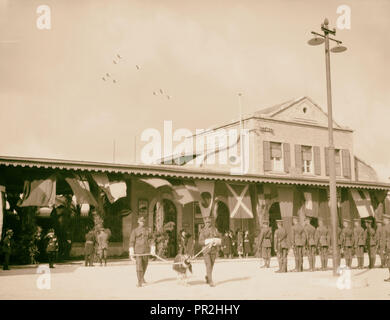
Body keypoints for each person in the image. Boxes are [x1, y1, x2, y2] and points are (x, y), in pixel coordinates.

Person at [129, 216, 155, 288]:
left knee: (145, 265)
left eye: (143, 221)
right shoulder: (135, 231)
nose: (142, 223)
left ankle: (142, 277)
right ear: (138, 222)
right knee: (139, 266)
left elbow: (152, 239)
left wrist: (153, 248)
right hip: (138, 251)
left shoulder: (148, 230)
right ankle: (139, 281)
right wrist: (131, 250)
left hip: (146, 251)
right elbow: (131, 241)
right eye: (141, 221)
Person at [198, 216, 221, 287]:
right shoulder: (203, 231)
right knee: (209, 265)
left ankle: (208, 277)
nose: (208, 223)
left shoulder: (215, 230)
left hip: (213, 250)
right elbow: (200, 242)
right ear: (205, 223)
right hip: (206, 251)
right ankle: (211, 281)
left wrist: (216, 242)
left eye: (209, 222)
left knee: (211, 266)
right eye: (207, 222)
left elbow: (219, 239)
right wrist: (208, 241)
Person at [383, 215, 390, 281]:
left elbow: (384, 239)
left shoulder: (385, 227)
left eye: (384, 219)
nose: (383, 220)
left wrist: (383, 249)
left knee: (389, 262)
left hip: (388, 246)